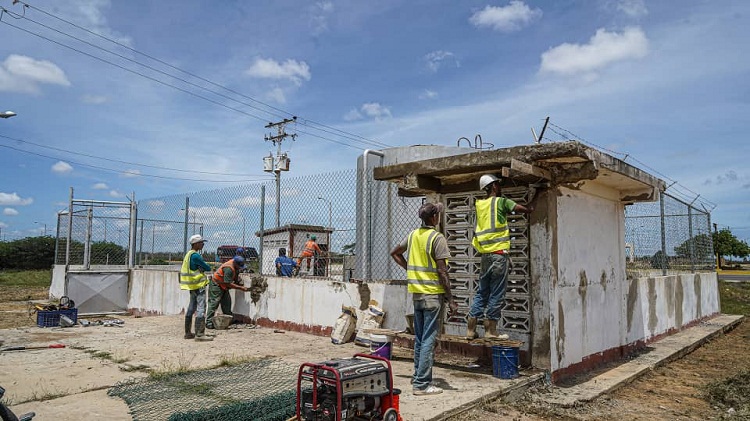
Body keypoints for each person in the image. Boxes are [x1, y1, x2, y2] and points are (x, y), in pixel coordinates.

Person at [390, 202, 458, 396]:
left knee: (420, 338)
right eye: (439, 214)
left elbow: (395, 253)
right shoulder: (437, 238)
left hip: (417, 294)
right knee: (428, 339)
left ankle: (418, 376)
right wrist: (451, 299)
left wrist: (410, 269)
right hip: (431, 295)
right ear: (434, 217)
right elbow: (442, 272)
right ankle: (421, 384)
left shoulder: (413, 235)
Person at [466, 174, 534, 340]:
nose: (500, 187)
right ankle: (491, 331)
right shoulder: (501, 202)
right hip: (499, 255)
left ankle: (470, 330)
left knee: (482, 292)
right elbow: (525, 209)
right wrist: (535, 196)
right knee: (497, 292)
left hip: (485, 255)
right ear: (494, 186)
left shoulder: (479, 205)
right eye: (498, 184)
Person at [179, 234, 214, 341]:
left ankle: (188, 333)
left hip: (191, 285)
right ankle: (200, 334)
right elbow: (207, 267)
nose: (203, 244)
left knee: (191, 307)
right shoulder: (195, 255)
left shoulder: (188, 255)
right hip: (199, 285)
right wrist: (203, 268)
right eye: (201, 242)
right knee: (201, 308)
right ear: (196, 244)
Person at [205, 255, 249, 329]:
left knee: (227, 303)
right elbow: (228, 283)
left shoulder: (235, 266)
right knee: (214, 303)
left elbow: (235, 276)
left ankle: (228, 320)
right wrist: (240, 287)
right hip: (217, 285)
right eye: (239, 266)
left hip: (223, 285)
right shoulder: (229, 268)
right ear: (235, 263)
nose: (240, 268)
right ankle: (209, 322)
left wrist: (238, 281)